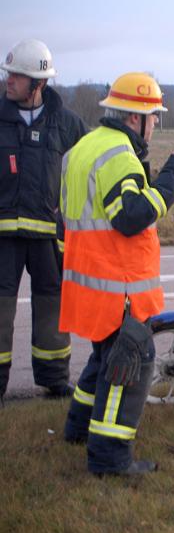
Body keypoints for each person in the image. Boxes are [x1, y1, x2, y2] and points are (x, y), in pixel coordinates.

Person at [61, 72, 174, 475]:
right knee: (131, 363)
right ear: (136, 118)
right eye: (154, 117)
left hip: (88, 278)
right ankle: (111, 459)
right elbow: (131, 217)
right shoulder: (119, 155)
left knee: (105, 358)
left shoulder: (85, 146)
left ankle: (77, 429)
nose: (155, 124)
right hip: (116, 283)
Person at [0, 39, 88, 402]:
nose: (9, 81)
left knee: (53, 310)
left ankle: (54, 378)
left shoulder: (67, 125)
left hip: (50, 237)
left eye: (18, 76)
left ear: (39, 84)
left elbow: (85, 171)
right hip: (3, 236)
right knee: (0, 312)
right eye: (9, 74)